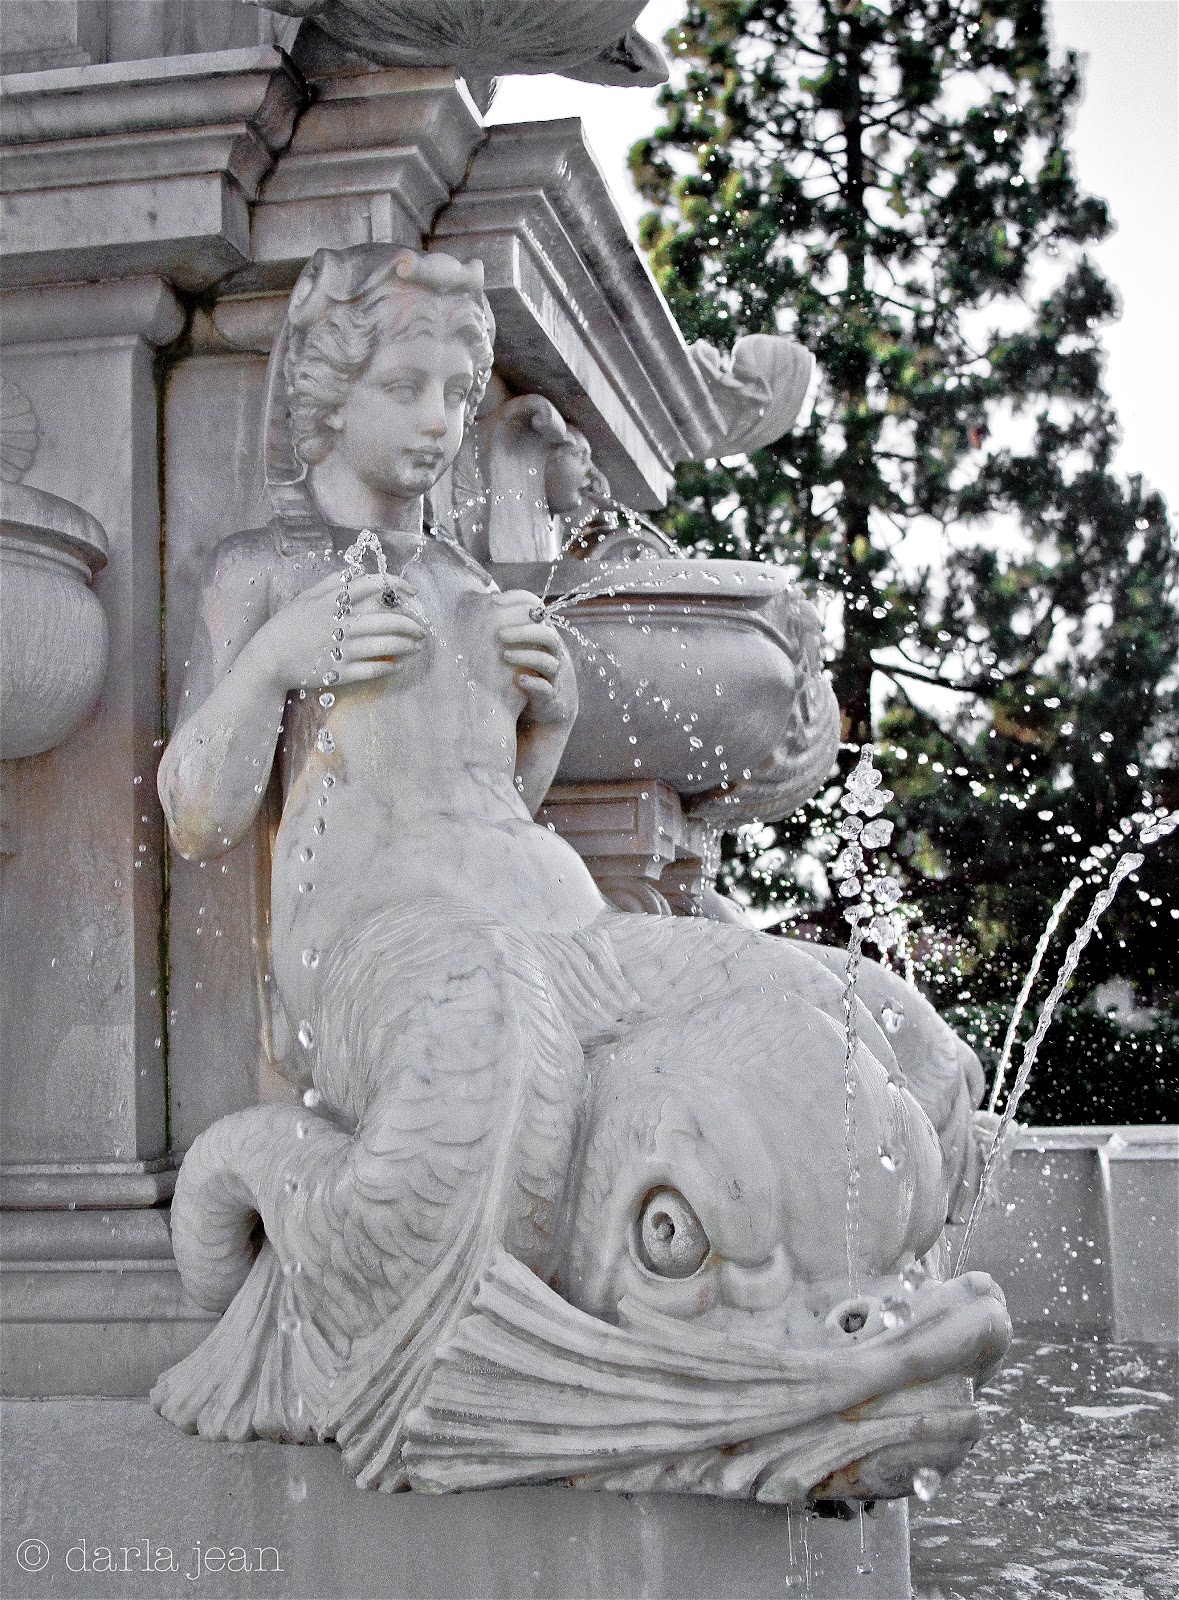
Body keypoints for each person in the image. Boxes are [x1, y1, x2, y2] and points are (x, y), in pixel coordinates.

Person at [154, 246, 984, 1482]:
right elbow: (197, 815)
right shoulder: (263, 573)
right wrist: (276, 659)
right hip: (400, 965)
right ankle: (431, 1376)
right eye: (409, 390)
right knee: (505, 1046)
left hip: (559, 933)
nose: (441, 423)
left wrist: (539, 720)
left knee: (848, 1009)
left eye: (457, 389)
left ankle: (821, 1327)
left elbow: (489, 805)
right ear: (332, 393)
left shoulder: (469, 581)